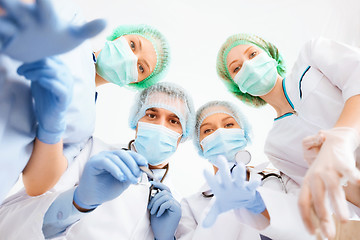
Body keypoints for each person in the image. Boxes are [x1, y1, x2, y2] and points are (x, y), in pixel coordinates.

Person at [0, 0, 170, 202]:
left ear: (136, 83)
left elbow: (36, 184)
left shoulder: (85, 123)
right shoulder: (70, 23)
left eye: (141, 67)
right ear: (120, 36)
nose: (131, 58)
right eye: (133, 45)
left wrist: (52, 126)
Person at [0, 82, 195, 240]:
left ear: (183, 134)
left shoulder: (178, 205)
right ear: (136, 121)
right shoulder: (91, 152)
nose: (160, 126)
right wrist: (78, 202)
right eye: (151, 115)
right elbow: (8, 223)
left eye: (173, 121)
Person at [215, 33, 360, 238]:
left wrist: (345, 135)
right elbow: (330, 195)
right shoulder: (276, 146)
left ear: (271, 55)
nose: (249, 66)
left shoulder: (311, 58)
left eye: (253, 53)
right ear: (239, 88)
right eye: (237, 68)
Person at [176, 100, 313, 240]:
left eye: (229, 124)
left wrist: (261, 208)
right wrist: (221, 212)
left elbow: (311, 229)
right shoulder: (190, 205)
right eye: (208, 130)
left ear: (244, 132)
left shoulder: (279, 177)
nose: (220, 133)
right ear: (200, 145)